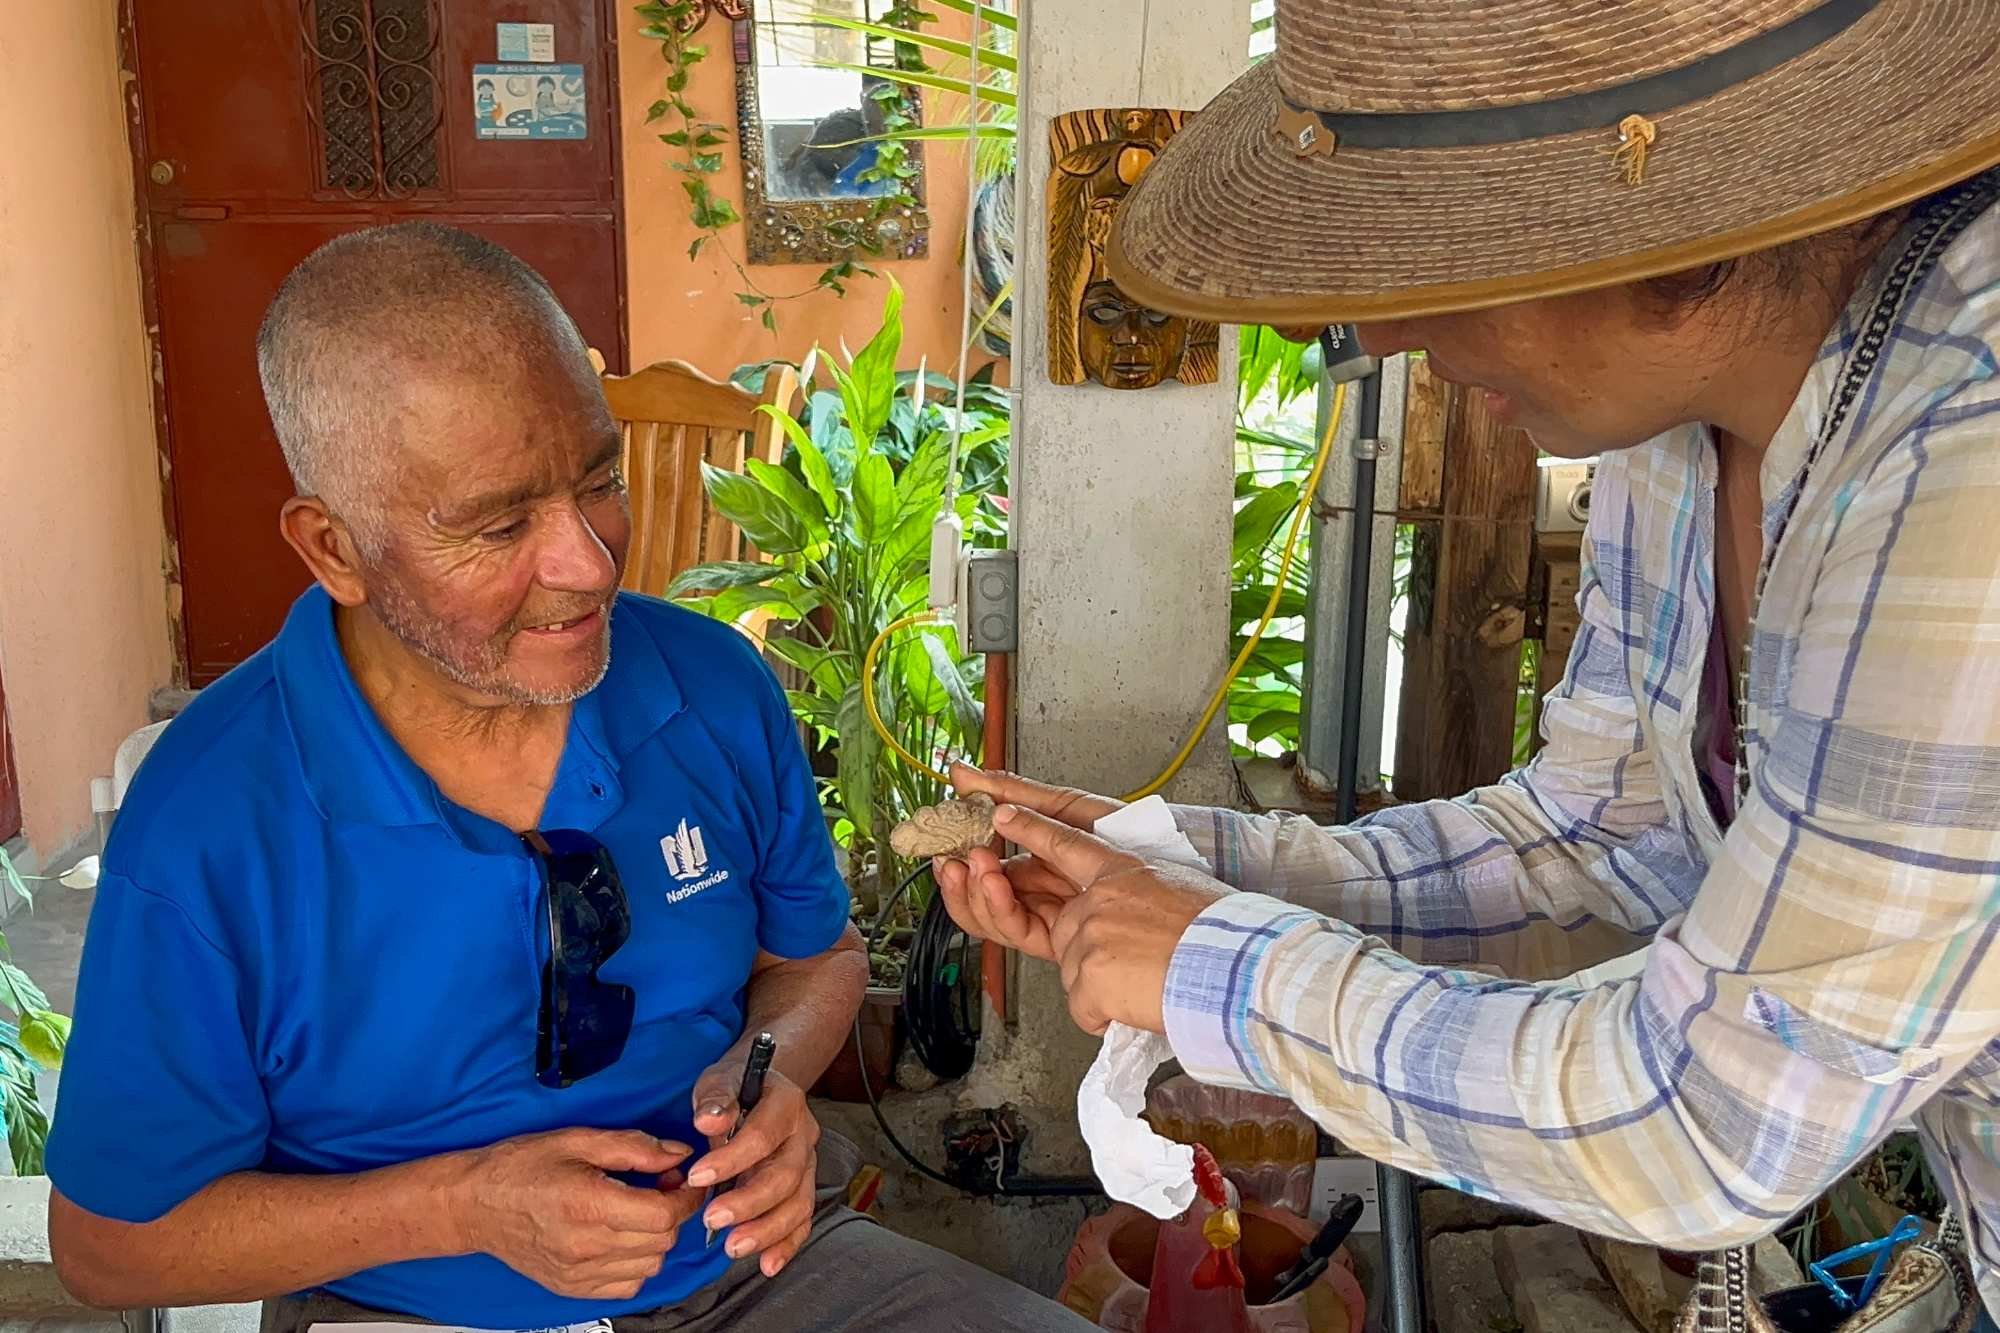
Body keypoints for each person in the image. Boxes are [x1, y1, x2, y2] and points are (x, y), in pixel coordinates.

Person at [937, 1, 2000, 1327]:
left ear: (1664, 230)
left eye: (1436, 260)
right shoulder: (1673, 434)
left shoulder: (1970, 434)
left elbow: (1712, 1120)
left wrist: (1223, 969)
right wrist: (1187, 866)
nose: (1380, 338)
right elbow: (1600, 836)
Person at [43, 223, 1089, 1333]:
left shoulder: (710, 687)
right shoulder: (212, 816)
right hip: (407, 1307)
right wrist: (464, 1208)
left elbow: (813, 956)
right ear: (332, 548)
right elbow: (110, 1245)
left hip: (752, 1270)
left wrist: (767, 1081)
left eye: (598, 480)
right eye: (498, 525)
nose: (590, 565)